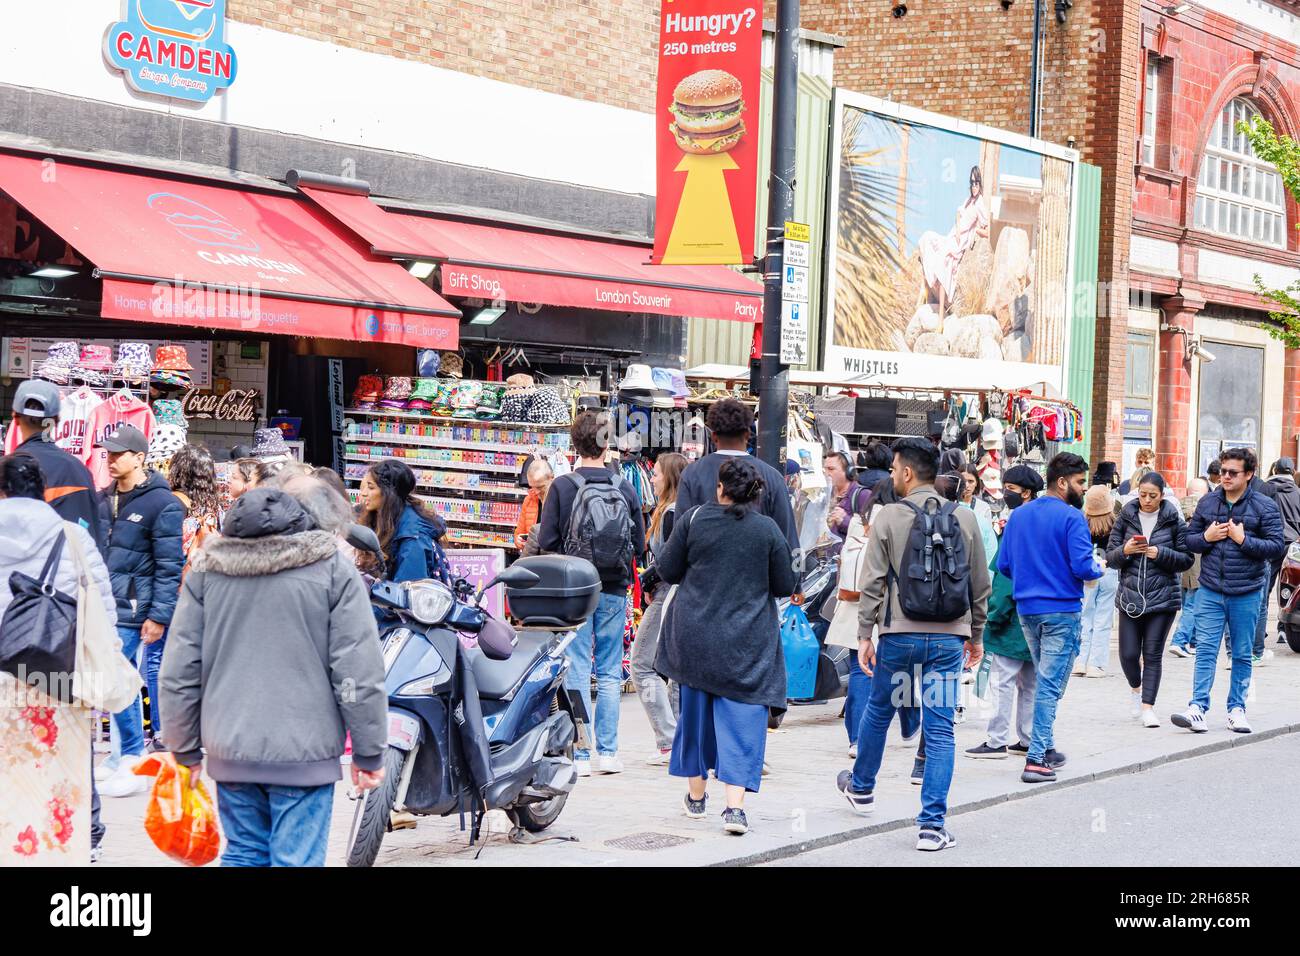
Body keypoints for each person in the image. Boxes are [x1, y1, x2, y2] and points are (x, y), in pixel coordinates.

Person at [159, 488, 388, 867]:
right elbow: (357, 669)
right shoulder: (332, 569)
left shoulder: (206, 572)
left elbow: (180, 668)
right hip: (306, 752)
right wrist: (369, 749)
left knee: (244, 855)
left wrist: (183, 747)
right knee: (295, 860)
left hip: (231, 748)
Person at [836, 438, 990, 852]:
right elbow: (980, 585)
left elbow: (871, 582)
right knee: (940, 729)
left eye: (894, 469)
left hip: (899, 637)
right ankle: (932, 826)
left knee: (879, 709)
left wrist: (865, 634)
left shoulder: (888, 516)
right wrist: (975, 636)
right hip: (946, 641)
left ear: (906, 472)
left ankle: (862, 787)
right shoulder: (966, 517)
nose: (891, 476)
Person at [655, 458, 796, 836]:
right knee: (743, 721)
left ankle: (697, 799)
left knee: (695, 718)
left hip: (695, 637)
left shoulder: (694, 520)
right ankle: (734, 809)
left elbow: (667, 570)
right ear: (756, 493)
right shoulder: (766, 530)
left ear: (720, 488)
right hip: (746, 643)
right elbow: (785, 583)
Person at [0, 455, 118, 865]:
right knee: (64, 763)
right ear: (43, 492)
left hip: (1, 674)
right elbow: (102, 604)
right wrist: (109, 661)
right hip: (58, 669)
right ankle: (75, 845)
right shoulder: (72, 536)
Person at [536, 411, 645, 776]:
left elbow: (548, 541)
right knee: (612, 670)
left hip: (575, 589)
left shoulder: (563, 487)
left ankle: (580, 753)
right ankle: (609, 753)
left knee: (578, 668)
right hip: (615, 587)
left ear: (574, 444)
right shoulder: (624, 487)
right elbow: (640, 545)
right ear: (606, 444)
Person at [997, 453, 1103, 784]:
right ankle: (1036, 757)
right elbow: (1084, 567)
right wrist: (1099, 568)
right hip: (1061, 609)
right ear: (1062, 482)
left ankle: (1047, 746)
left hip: (1028, 608)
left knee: (1045, 678)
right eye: (1080, 482)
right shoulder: (1073, 518)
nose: (1083, 488)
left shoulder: (1019, 516)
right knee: (1050, 682)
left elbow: (1004, 565)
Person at [93, 425, 184, 799]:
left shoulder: (162, 503)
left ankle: (131, 755)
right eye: (108, 454)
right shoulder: (103, 499)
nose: (111, 460)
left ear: (140, 457)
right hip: (105, 605)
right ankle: (121, 757)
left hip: (134, 607)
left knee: (119, 676)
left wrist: (159, 615)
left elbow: (169, 565)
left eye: (119, 453)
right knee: (118, 676)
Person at [1176, 448, 1286, 734]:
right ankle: (1197, 707)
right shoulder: (1208, 502)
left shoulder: (1264, 505)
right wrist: (1206, 537)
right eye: (1223, 471)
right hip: (1211, 589)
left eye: (1232, 472)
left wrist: (1243, 539)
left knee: (1241, 653)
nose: (1225, 476)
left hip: (1247, 590)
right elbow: (1189, 540)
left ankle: (1236, 709)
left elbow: (1276, 547)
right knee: (1206, 652)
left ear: (1248, 475)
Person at [966, 465, 1042, 759]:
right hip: (1038, 616)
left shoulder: (1017, 525)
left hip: (1011, 620)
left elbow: (1004, 579)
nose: (1005, 493)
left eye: (1010, 488)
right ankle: (1027, 738)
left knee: (1003, 682)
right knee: (1031, 684)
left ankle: (996, 740)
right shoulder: (1041, 520)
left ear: (1025, 492)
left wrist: (991, 616)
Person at [1106, 472, 1193, 727]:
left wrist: (1160, 553)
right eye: (1142, 495)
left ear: (1162, 495)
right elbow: (1110, 557)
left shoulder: (1174, 521)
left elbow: (1186, 559)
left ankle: (1148, 707)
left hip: (1163, 596)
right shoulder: (1125, 517)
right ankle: (1136, 688)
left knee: (1152, 654)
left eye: (1152, 496)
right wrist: (1126, 550)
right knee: (1128, 654)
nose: (1146, 500)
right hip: (1131, 596)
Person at [675, 399, 798, 560]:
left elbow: (679, 539)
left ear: (713, 437)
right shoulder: (772, 477)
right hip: (756, 577)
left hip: (702, 578)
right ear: (747, 434)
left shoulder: (691, 474)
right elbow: (788, 541)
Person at [8, 380, 105, 550]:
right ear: (56, 420)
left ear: (15, 417)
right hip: (66, 573)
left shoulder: (5, 471)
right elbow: (93, 546)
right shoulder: (79, 471)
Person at [634, 452, 686, 765]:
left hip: (667, 592)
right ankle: (677, 738)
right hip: (673, 593)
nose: (650, 479)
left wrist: (647, 580)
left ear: (668, 477)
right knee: (676, 670)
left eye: (655, 474)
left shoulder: (670, 513)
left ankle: (669, 738)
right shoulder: (672, 511)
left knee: (641, 664)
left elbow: (668, 562)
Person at [356, 459, 450, 586]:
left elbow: (406, 596)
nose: (364, 493)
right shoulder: (386, 519)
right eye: (364, 487)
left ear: (389, 493)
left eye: (371, 487)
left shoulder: (413, 539)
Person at [916, 164, 990, 324]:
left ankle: (941, 319)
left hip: (960, 243)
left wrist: (973, 230)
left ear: (980, 184)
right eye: (971, 183)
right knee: (926, 238)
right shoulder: (968, 200)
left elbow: (986, 231)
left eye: (976, 183)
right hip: (953, 235)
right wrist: (957, 227)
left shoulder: (980, 204)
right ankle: (925, 286)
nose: (973, 186)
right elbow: (959, 213)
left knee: (944, 262)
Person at [1076, 485, 1119, 678]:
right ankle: (1096, 663)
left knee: (1085, 616)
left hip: (1087, 573)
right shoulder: (1115, 524)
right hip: (1109, 571)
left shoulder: (1082, 523)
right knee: (1103, 618)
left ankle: (1080, 660)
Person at [1170, 478, 1210, 657]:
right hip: (1199, 564)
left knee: (1188, 602)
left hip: (1182, 564)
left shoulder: (1177, 507)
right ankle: (1179, 640)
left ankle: (1193, 642)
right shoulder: (1206, 508)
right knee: (1193, 606)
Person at [1265, 458, 1300, 649]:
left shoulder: (1264, 489)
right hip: (1293, 547)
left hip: (1269, 545)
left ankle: (1258, 629)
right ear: (1293, 472)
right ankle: (1282, 629)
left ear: (1274, 469)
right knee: (1289, 590)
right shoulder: (1298, 492)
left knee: (1264, 587)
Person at [825, 451, 871, 542]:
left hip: (846, 554)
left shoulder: (863, 495)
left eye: (831, 469)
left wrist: (845, 521)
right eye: (825, 469)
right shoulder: (825, 495)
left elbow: (870, 533)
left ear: (849, 472)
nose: (826, 474)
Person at [514, 458, 554, 551]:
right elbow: (519, 532)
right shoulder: (528, 500)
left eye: (540, 487)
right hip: (531, 556)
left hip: (551, 558)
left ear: (552, 478)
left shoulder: (560, 501)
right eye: (532, 486)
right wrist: (518, 540)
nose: (535, 491)